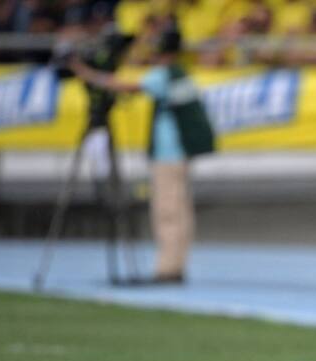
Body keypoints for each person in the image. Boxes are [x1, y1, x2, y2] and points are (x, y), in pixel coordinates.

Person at [71, 28, 215, 284]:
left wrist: (87, 74)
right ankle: (176, 264)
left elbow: (124, 85)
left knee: (167, 211)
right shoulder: (181, 75)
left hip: (168, 154)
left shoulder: (164, 76)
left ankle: (168, 268)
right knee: (181, 211)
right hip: (180, 153)